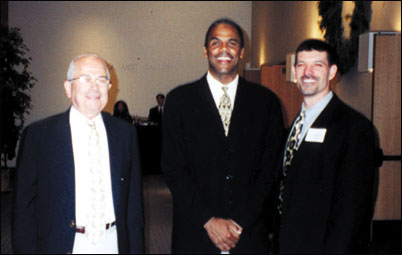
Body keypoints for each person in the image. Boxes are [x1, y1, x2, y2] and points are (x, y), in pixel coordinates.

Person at [161, 18, 284, 254]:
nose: (224, 50)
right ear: (205, 50)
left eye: (232, 43)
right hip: (195, 232)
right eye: (216, 43)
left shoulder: (266, 102)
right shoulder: (179, 100)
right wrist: (208, 220)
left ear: (242, 51)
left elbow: (270, 171)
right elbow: (173, 169)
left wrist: (239, 223)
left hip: (248, 234)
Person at [12, 53, 144, 254]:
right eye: (86, 79)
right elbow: (23, 209)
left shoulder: (125, 133)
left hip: (113, 243)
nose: (94, 87)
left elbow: (134, 208)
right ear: (68, 87)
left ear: (109, 88)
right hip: (63, 246)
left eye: (101, 80)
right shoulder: (39, 136)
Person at [275, 39, 376, 254]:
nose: (307, 72)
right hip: (290, 243)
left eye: (317, 65)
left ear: (331, 72)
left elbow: (353, 209)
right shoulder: (296, 123)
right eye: (301, 65)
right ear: (294, 71)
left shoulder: (354, 128)